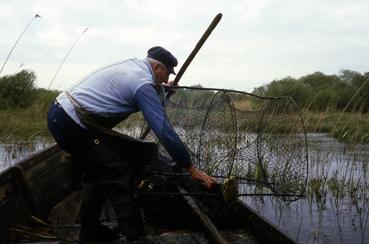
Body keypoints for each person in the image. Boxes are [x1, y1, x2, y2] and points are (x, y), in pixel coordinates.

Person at [47, 46, 216, 242]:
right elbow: (164, 132)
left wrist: (162, 89)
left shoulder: (134, 66)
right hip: (71, 124)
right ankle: (136, 238)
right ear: (158, 67)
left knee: (97, 173)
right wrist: (189, 166)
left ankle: (90, 232)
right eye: (166, 73)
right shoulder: (142, 84)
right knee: (118, 171)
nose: (165, 78)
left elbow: (148, 90)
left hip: (63, 115)